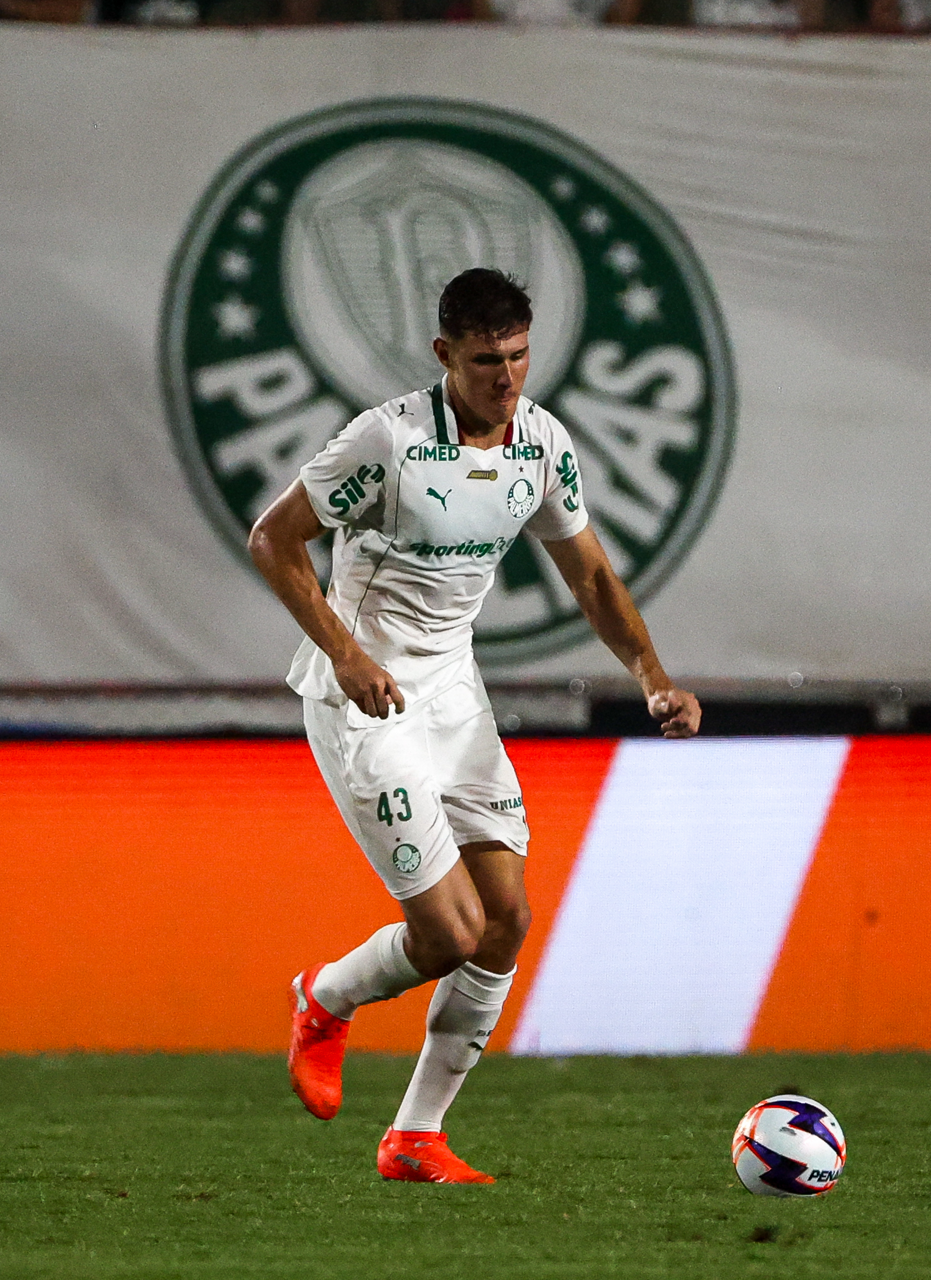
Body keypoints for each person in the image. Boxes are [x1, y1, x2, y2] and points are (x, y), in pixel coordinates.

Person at [248, 267, 701, 1184]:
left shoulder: (542, 444)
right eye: (488, 360)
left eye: (520, 356)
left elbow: (591, 575)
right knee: (451, 933)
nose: (508, 378)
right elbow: (273, 538)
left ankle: (415, 1138)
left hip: (453, 697)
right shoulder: (389, 441)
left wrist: (652, 676)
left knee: (505, 921)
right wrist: (347, 655)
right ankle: (325, 998)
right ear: (444, 354)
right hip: (367, 701)